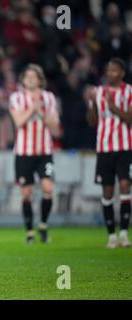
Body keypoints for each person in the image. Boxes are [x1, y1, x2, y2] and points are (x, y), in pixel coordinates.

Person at [9, 64, 60, 244]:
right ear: (23, 80)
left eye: (34, 76)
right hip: (24, 152)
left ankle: (43, 226)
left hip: (44, 152)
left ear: (40, 80)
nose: (30, 79)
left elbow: (54, 127)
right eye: (27, 76)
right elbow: (19, 122)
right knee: (27, 192)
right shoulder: (16, 97)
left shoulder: (49, 98)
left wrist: (40, 110)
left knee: (48, 188)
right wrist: (34, 107)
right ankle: (30, 232)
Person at [86, 58, 132, 249]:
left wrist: (113, 107)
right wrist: (92, 104)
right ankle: (111, 235)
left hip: (125, 147)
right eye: (108, 70)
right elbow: (91, 122)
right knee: (107, 190)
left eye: (114, 70)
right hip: (104, 147)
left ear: (122, 72)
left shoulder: (129, 91)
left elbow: (130, 119)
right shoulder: (98, 92)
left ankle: (124, 233)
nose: (110, 73)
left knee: (125, 185)